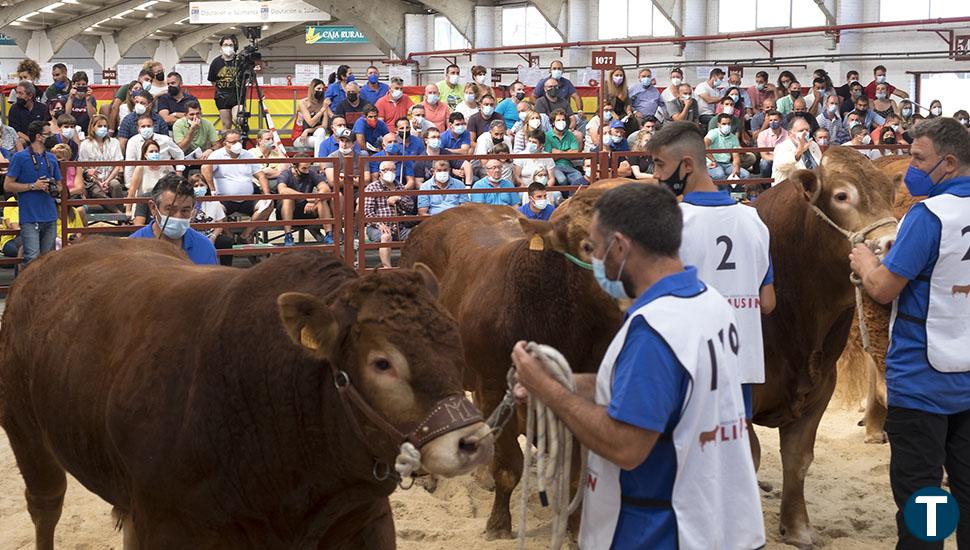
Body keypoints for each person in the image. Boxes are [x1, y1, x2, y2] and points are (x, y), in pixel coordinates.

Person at [510, 182, 765, 550]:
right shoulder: (710, 302)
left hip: (662, 531)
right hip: (718, 522)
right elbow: (657, 390)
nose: (596, 262)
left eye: (596, 249)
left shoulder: (654, 329)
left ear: (619, 247)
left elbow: (626, 446)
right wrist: (563, 380)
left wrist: (548, 392)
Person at [849, 116, 969, 548]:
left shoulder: (928, 215)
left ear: (949, 163)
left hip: (923, 381)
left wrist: (866, 262)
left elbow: (882, 289)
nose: (912, 168)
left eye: (919, 158)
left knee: (924, 496)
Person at [650, 120, 775, 424]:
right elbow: (768, 303)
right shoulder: (754, 220)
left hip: (687, 368)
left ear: (687, 165)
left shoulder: (672, 223)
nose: (655, 175)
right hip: (738, 367)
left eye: (659, 164)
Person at [3, 120, 60, 266]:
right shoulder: (20, 157)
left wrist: (52, 186)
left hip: (50, 215)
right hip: (30, 216)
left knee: (48, 259)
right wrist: (33, 186)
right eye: (48, 134)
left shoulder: (52, 158)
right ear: (39, 137)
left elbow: (60, 186)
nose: (52, 137)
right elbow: (8, 185)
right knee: (32, 258)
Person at [129, 173, 217, 265]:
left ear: (193, 210)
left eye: (185, 210)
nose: (178, 217)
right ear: (153, 208)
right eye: (170, 210)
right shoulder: (132, 249)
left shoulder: (204, 247)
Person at [202, 129, 273, 244]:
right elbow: (205, 169)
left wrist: (266, 194)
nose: (237, 144)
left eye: (239, 140)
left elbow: (261, 175)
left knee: (268, 204)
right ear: (225, 143)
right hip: (224, 199)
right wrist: (213, 191)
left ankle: (245, 235)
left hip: (248, 199)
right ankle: (229, 236)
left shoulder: (247, 154)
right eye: (233, 142)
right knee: (215, 208)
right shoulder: (216, 155)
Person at [364, 160, 415, 268]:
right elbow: (367, 213)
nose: (390, 172)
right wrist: (379, 224)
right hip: (376, 228)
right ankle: (387, 268)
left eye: (392, 169)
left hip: (399, 227)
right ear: (380, 172)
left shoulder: (400, 186)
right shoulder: (372, 188)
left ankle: (409, 266)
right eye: (386, 170)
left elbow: (410, 206)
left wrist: (399, 198)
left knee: (415, 235)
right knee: (386, 237)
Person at [276, 162, 333, 246]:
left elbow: (325, 189)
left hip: (307, 209)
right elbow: (282, 190)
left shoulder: (311, 173)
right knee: (288, 199)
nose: (306, 171)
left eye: (308, 168)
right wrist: (305, 198)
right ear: (295, 167)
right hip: (287, 211)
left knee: (322, 201)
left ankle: (329, 234)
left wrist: (314, 201)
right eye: (303, 168)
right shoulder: (285, 174)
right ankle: (288, 235)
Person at [77, 115, 125, 212]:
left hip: (110, 177)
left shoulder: (114, 142)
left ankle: (120, 218)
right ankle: (119, 213)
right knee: (95, 190)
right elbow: (84, 167)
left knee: (115, 184)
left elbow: (118, 165)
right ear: (93, 127)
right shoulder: (85, 144)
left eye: (105, 126)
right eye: (99, 126)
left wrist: (107, 181)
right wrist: (98, 182)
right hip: (92, 181)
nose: (103, 128)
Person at [124, 113, 183, 184]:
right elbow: (130, 165)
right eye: (143, 126)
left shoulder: (166, 140)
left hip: (165, 179)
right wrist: (129, 185)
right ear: (138, 129)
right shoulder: (132, 141)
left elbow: (179, 154)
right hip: (143, 180)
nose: (146, 128)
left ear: (153, 127)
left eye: (149, 126)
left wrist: (178, 174)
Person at [188, 173, 232, 266]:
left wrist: (213, 237)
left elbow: (220, 223)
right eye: (195, 186)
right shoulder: (187, 203)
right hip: (193, 235)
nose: (199, 188)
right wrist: (191, 215)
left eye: (201, 185)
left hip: (211, 234)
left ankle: (226, 268)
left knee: (225, 242)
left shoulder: (214, 202)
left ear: (206, 187)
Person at [128, 139, 174, 224]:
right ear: (145, 154)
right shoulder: (140, 168)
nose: (154, 153)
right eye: (151, 151)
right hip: (143, 206)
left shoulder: (167, 167)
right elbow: (132, 189)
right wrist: (128, 210)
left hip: (162, 205)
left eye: (156, 151)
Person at [771, 117, 822, 185]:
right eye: (801, 131)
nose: (805, 133)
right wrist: (798, 153)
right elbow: (781, 165)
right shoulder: (782, 147)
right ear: (790, 134)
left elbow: (820, 164)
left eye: (807, 130)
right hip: (790, 189)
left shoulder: (813, 145)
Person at [704, 113, 749, 187]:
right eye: (724, 124)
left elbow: (736, 156)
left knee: (745, 175)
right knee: (720, 175)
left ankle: (735, 193)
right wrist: (713, 160)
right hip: (712, 164)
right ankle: (724, 195)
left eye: (728, 124)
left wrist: (736, 168)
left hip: (727, 164)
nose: (726, 126)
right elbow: (704, 144)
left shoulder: (733, 137)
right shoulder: (713, 133)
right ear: (718, 125)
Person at [545, 109, 586, 187]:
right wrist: (567, 152)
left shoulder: (570, 135)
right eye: (558, 120)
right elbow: (550, 157)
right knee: (562, 180)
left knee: (579, 179)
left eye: (563, 120)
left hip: (569, 165)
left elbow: (575, 154)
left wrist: (559, 153)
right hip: (554, 166)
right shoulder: (547, 136)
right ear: (553, 122)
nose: (561, 121)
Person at [208, 36, 240, 129]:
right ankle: (227, 142)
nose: (228, 47)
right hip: (222, 97)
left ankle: (241, 139)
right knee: (226, 124)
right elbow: (213, 81)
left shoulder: (239, 61)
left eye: (231, 45)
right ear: (221, 46)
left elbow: (245, 79)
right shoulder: (216, 62)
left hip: (237, 96)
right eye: (225, 45)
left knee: (239, 119)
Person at [295, 79, 329, 147]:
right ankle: (321, 157)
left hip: (314, 133)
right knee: (321, 141)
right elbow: (311, 123)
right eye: (318, 88)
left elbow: (324, 126)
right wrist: (322, 110)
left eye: (322, 89)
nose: (321, 91)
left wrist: (308, 130)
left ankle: (320, 157)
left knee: (321, 132)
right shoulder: (303, 103)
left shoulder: (323, 103)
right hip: (301, 135)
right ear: (312, 90)